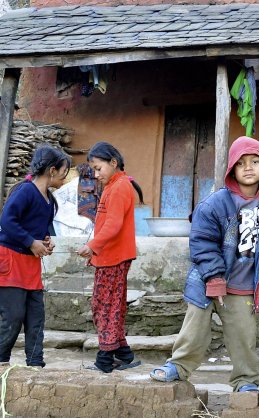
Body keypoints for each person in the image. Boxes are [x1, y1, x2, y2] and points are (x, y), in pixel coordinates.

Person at [149, 136, 259, 393]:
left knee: (243, 336)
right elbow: (202, 242)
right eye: (241, 164)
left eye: (255, 161)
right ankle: (179, 366)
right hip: (209, 280)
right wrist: (214, 278)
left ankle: (246, 381)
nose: (249, 167)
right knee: (195, 325)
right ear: (232, 170)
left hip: (243, 285)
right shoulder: (215, 204)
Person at [0, 145, 71, 367]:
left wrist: (45, 241)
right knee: (13, 317)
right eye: (63, 173)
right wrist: (31, 242)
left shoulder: (50, 200)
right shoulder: (25, 191)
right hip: (10, 260)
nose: (64, 178)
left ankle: (35, 363)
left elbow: (41, 228)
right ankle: (1, 359)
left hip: (30, 265)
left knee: (35, 317)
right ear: (52, 170)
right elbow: (7, 222)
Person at [77, 141, 144, 373]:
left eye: (98, 168)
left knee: (106, 307)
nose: (96, 175)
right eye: (93, 170)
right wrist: (95, 250)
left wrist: (92, 246)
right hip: (108, 257)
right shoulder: (114, 185)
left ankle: (105, 360)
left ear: (113, 163)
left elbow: (114, 226)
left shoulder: (120, 187)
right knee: (108, 305)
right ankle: (123, 354)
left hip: (114, 258)